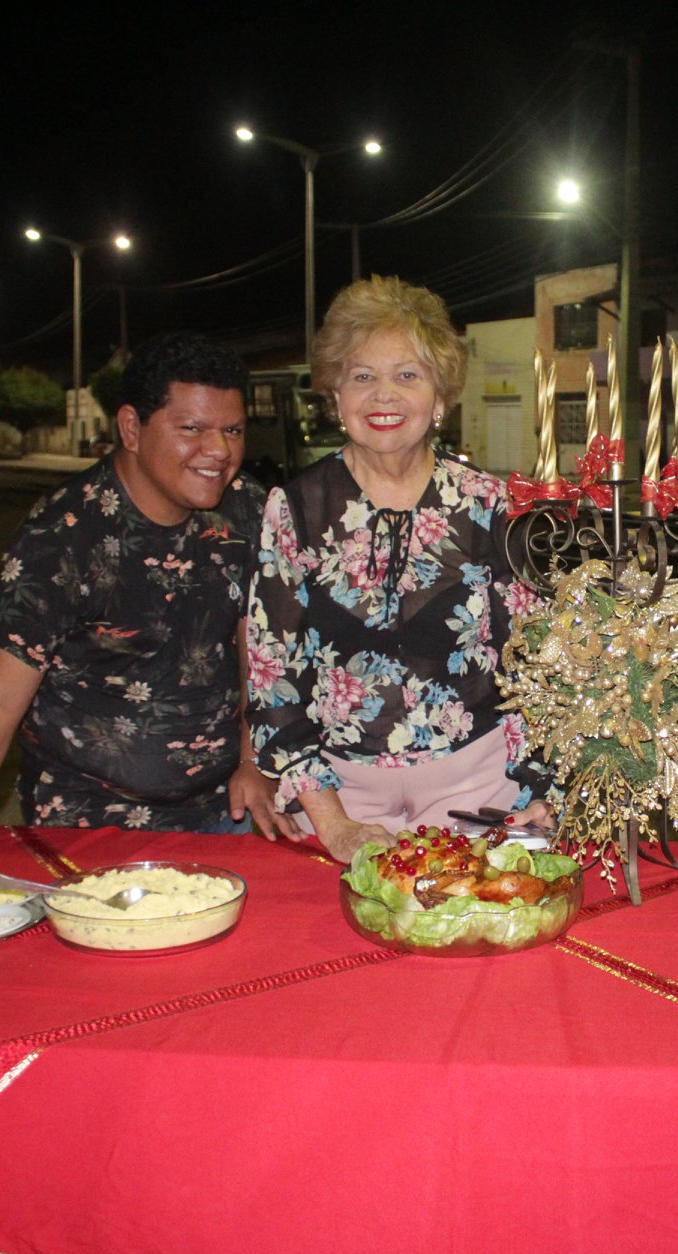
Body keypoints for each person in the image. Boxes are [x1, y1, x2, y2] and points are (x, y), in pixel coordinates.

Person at [0, 333, 286, 874]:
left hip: (222, 808)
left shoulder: (247, 511)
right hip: (86, 821)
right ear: (131, 428)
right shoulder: (61, 537)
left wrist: (253, 759)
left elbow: (258, 647)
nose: (220, 451)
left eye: (232, 431)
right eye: (192, 429)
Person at [246, 276, 555, 862]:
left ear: (440, 398)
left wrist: (543, 786)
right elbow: (271, 676)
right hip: (338, 798)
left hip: (480, 789)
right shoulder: (295, 509)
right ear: (335, 395)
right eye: (362, 377)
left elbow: (537, 661)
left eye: (407, 375)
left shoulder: (491, 505)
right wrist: (335, 825)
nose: (383, 396)